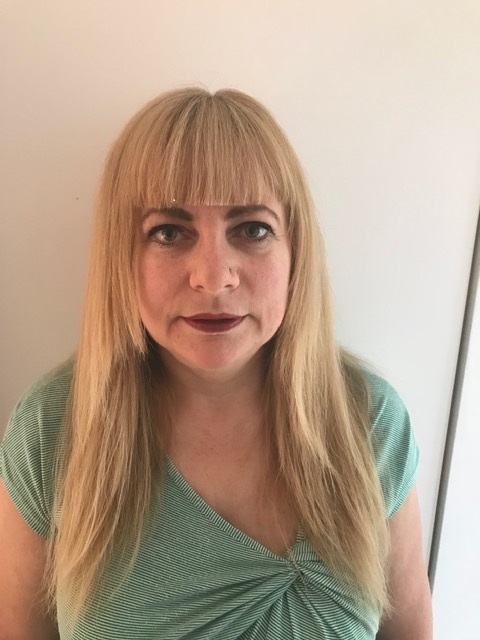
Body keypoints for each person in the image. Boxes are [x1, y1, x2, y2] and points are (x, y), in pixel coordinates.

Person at [0, 87, 432, 639]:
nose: (212, 277)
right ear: (121, 254)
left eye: (252, 229)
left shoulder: (370, 423)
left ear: (295, 249)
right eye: (169, 232)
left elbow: (409, 626)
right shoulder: (51, 430)